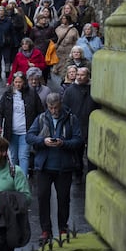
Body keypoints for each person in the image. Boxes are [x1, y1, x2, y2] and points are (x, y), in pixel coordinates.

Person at [26, 92, 83, 241]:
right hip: (44, 167)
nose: (53, 111)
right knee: (43, 198)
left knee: (63, 199)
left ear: (61, 104)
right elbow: (29, 137)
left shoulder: (71, 119)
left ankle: (63, 228)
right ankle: (46, 230)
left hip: (64, 166)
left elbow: (78, 140)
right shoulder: (41, 118)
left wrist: (63, 143)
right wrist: (43, 141)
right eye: (50, 108)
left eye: (56, 107)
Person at [0, 72, 44, 178]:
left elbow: (40, 112)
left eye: (20, 82)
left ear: (24, 82)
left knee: (23, 156)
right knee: (13, 156)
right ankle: (15, 178)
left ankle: (22, 179)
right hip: (11, 132)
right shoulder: (7, 94)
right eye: (15, 82)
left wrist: (37, 128)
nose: (17, 84)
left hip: (26, 132)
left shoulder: (32, 94)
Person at [62, 67, 98, 177]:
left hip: (91, 126)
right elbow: (65, 108)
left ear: (88, 76)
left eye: (82, 75)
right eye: (78, 74)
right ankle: (78, 174)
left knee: (92, 154)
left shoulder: (94, 89)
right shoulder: (70, 90)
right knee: (77, 153)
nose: (79, 77)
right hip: (76, 126)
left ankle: (91, 174)